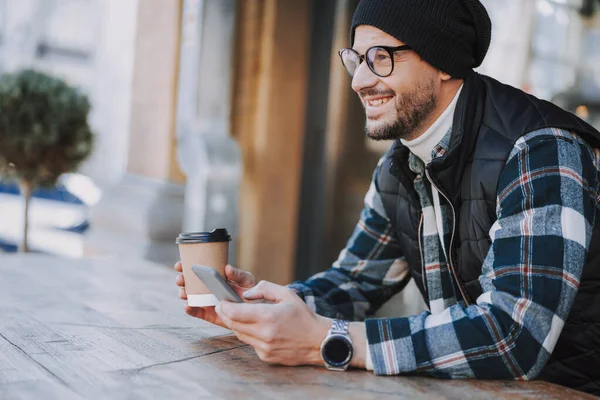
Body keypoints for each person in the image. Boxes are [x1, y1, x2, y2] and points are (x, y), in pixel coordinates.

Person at [175, 0, 600, 394]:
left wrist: (328, 340)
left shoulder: (540, 149)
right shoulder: (400, 164)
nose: (360, 81)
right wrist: (262, 310)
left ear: (444, 63)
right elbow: (356, 281)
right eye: (356, 59)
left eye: (381, 57)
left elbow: (513, 336)